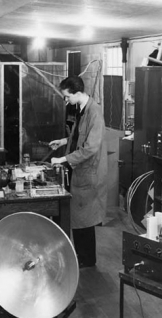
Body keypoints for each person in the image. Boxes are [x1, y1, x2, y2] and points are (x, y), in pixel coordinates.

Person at [49, 76, 108, 268]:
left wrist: (63, 159)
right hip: (79, 170)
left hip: (88, 173)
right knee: (79, 216)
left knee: (85, 218)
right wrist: (63, 141)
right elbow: (77, 137)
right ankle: (82, 256)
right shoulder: (81, 110)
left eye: (67, 97)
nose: (66, 101)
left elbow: (90, 148)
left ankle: (87, 260)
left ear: (77, 93)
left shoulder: (94, 112)